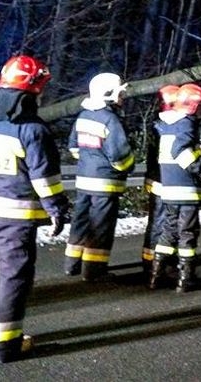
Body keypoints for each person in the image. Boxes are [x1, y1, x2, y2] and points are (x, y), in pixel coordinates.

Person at [0, 55, 69, 364]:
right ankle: (6, 343)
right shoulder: (32, 130)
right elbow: (44, 178)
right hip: (16, 217)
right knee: (13, 275)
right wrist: (57, 209)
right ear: (31, 90)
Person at [64, 72, 135, 281]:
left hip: (84, 179)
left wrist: (90, 163)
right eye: (119, 93)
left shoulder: (83, 116)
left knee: (81, 221)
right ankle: (94, 270)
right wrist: (126, 168)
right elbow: (120, 155)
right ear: (109, 95)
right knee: (101, 226)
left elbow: (73, 147)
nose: (123, 97)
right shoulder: (110, 120)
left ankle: (72, 264)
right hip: (106, 183)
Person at [150, 82, 201, 293]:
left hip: (169, 188)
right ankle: (186, 279)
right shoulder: (186, 123)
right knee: (187, 233)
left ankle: (155, 277)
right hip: (186, 188)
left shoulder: (166, 124)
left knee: (168, 230)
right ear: (192, 106)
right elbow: (180, 151)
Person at [141, 84, 180, 277]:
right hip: (164, 181)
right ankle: (156, 264)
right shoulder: (167, 127)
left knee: (160, 222)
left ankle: (155, 261)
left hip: (157, 179)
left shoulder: (158, 124)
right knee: (162, 223)